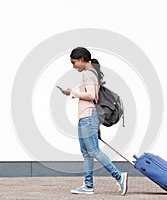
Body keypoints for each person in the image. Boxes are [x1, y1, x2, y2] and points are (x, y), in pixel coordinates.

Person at [61, 47, 128, 195]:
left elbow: (92, 96)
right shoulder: (91, 73)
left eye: (74, 63)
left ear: (82, 59)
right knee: (87, 153)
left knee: (93, 151)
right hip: (87, 118)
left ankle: (118, 176)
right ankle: (88, 185)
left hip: (88, 117)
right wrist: (97, 126)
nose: (73, 66)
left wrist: (71, 92)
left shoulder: (88, 73)